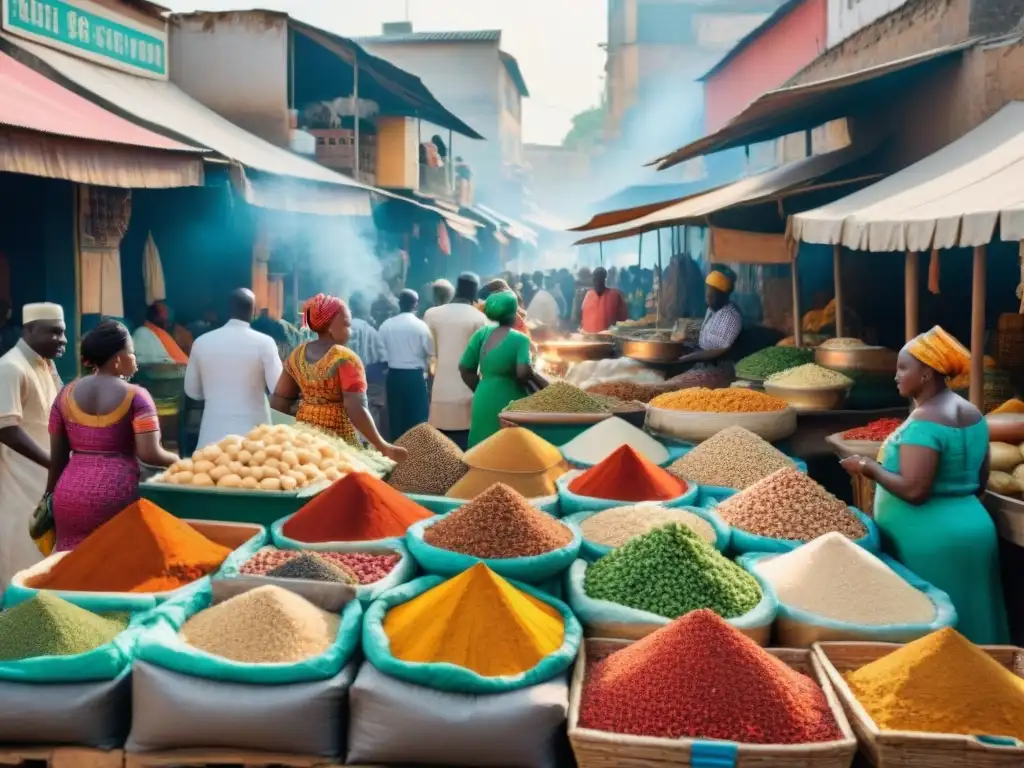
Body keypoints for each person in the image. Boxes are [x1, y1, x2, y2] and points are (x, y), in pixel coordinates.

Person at [841, 326, 1010, 645]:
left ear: (927, 374)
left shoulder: (924, 423)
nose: (896, 375)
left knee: (939, 632)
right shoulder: (973, 414)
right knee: (977, 623)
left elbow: (915, 491)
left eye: (904, 368)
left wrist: (866, 467)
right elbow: (980, 479)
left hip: (931, 541)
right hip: (973, 528)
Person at [46, 321, 178, 551]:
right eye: (132, 353)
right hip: (116, 495)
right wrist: (178, 461)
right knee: (113, 567)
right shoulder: (137, 396)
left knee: (70, 569)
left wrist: (49, 495)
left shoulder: (64, 395)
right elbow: (150, 453)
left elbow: (57, 459)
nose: (135, 360)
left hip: (68, 497)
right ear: (117, 359)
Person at [270, 294, 406, 461]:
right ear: (330, 327)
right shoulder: (345, 357)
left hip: (303, 438)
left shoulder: (297, 354)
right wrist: (382, 446)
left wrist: (277, 435)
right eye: (347, 324)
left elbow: (280, 400)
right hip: (338, 440)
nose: (350, 330)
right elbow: (356, 409)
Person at [0, 303, 65, 585]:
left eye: (62, 333)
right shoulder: (11, 367)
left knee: (43, 554)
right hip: (19, 480)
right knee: (21, 550)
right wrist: (53, 463)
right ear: (29, 330)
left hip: (45, 480)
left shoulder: (45, 364)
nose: (61, 340)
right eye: (53, 332)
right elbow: (6, 429)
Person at [184, 289, 283, 449]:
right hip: (254, 440)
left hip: (213, 437)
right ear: (253, 311)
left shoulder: (201, 343)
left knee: (211, 473)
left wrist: (215, 396)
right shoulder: (265, 343)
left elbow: (192, 391)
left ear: (228, 310)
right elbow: (278, 389)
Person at [460, 291, 544, 447]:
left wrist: (481, 388)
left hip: (483, 398)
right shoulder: (520, 339)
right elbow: (523, 372)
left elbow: (464, 368)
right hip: (510, 402)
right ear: (514, 313)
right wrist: (543, 385)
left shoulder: (481, 334)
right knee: (507, 452)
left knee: (481, 450)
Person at [425, 272, 486, 449]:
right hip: (467, 396)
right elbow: (480, 363)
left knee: (441, 454)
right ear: (474, 294)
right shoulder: (479, 319)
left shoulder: (431, 315)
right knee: (463, 453)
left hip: (438, 394)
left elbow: (430, 357)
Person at [379, 289, 433, 441]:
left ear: (399, 303)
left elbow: (380, 353)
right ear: (415, 304)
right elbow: (431, 352)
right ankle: (416, 458)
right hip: (415, 378)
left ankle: (397, 459)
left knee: (396, 420)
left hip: (394, 377)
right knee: (418, 422)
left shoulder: (386, 325)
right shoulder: (421, 326)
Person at [676, 267, 744, 373]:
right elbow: (705, 337)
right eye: (707, 290)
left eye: (712, 293)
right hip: (702, 359)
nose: (707, 295)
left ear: (723, 295)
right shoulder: (711, 310)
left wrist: (688, 358)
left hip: (719, 367)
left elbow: (719, 351)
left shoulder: (731, 316)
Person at [347, 291, 388, 433]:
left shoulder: (338, 329)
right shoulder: (371, 331)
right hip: (365, 386)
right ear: (365, 308)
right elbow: (383, 360)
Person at [580, 267, 628, 333]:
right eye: (595, 278)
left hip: (610, 337)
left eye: (600, 278)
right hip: (588, 337)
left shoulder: (616, 295)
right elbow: (580, 316)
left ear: (604, 279)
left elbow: (623, 318)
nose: (597, 280)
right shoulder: (588, 295)